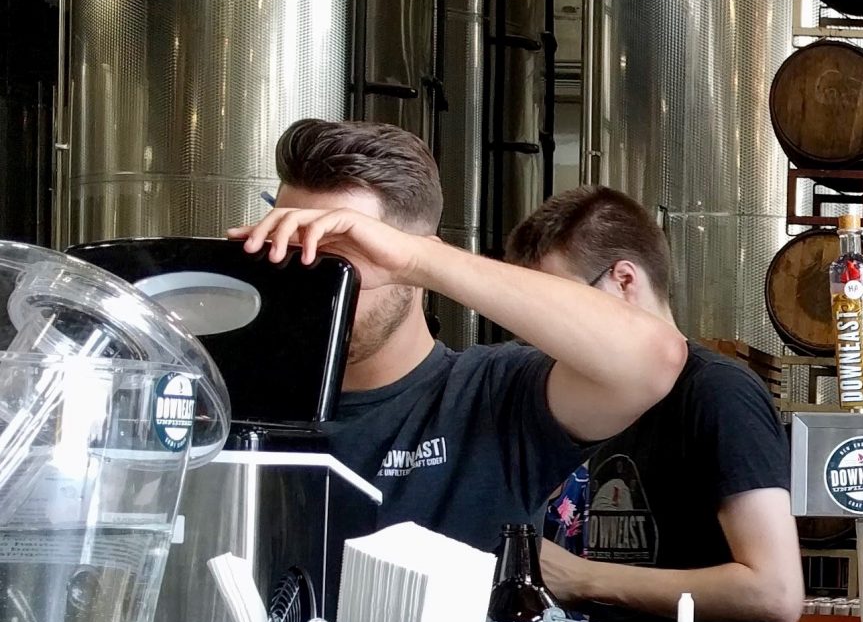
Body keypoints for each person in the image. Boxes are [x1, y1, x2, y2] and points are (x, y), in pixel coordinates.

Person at [229, 119, 688, 570]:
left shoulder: (491, 395)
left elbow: (655, 359)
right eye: (290, 255)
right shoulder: (234, 399)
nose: (307, 290)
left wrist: (417, 258)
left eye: (336, 265)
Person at [504, 186, 804, 622]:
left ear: (624, 280)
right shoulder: (585, 400)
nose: (548, 331)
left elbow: (774, 590)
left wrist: (585, 578)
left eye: (559, 303)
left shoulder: (718, 393)